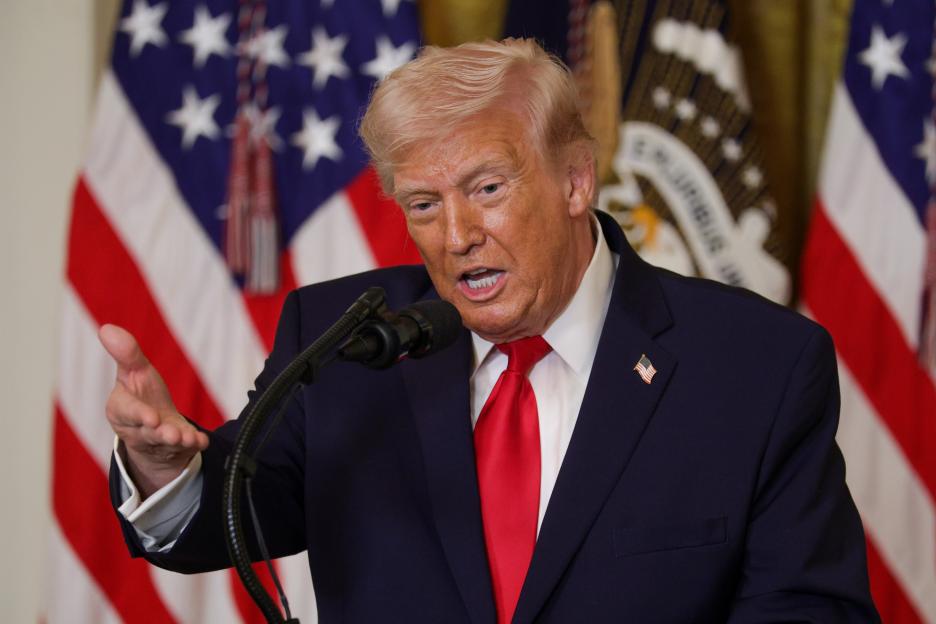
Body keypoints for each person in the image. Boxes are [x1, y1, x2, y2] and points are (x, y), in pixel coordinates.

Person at [102, 38, 879, 623]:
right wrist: (160, 467)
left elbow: (810, 610)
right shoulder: (345, 342)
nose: (456, 234)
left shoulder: (754, 365)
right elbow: (237, 513)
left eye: (487, 188)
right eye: (423, 204)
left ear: (575, 180)